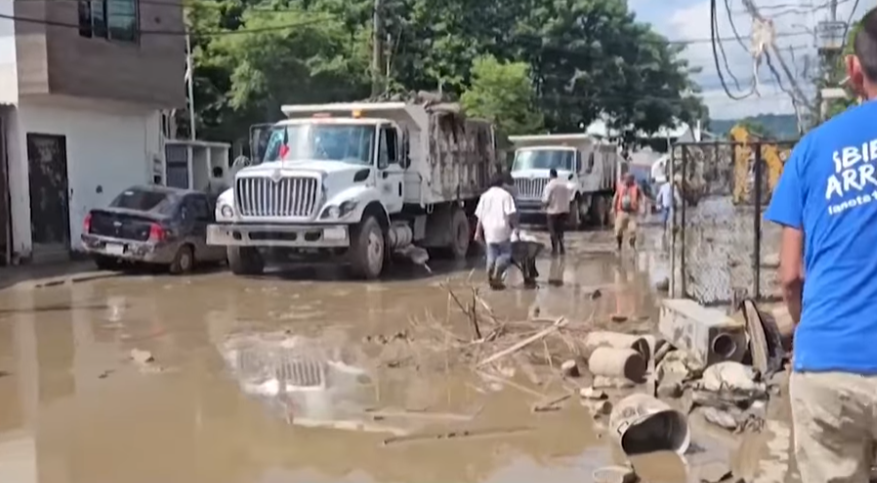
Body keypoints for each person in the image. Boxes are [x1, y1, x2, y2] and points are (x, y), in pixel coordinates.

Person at [765, 9, 877, 482]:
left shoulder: (812, 150)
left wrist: (808, 334)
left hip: (827, 365)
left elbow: (791, 276)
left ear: (853, 69)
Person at [475, 173, 518, 289]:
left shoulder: (484, 196)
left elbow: (480, 216)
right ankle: (498, 266)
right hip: (502, 229)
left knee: (491, 254)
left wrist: (478, 232)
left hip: (488, 231)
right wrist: (516, 228)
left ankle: (490, 269)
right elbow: (511, 214)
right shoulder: (505, 195)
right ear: (502, 184)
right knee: (506, 255)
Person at [541, 168, 572, 255]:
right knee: (561, 231)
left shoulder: (549, 186)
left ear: (550, 175)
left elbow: (546, 200)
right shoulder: (564, 185)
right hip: (564, 211)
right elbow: (569, 197)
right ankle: (562, 248)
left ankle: (554, 250)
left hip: (553, 212)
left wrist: (543, 207)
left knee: (552, 231)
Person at [613, 173, 641, 252]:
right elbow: (616, 197)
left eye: (631, 178)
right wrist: (613, 208)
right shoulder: (620, 187)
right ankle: (619, 245)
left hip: (632, 213)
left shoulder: (636, 187)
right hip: (621, 212)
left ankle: (632, 246)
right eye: (627, 178)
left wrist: (642, 208)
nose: (629, 180)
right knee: (618, 230)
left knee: (633, 230)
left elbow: (642, 197)